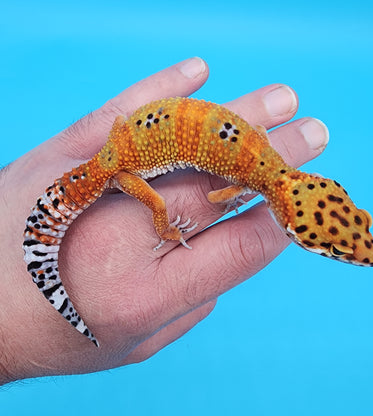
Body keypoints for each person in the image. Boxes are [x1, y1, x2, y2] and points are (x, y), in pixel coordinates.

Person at [0, 57, 328, 385]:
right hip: (121, 170)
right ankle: (164, 228)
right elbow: (215, 197)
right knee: (157, 202)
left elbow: (256, 132)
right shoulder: (252, 173)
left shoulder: (259, 145)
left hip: (122, 138)